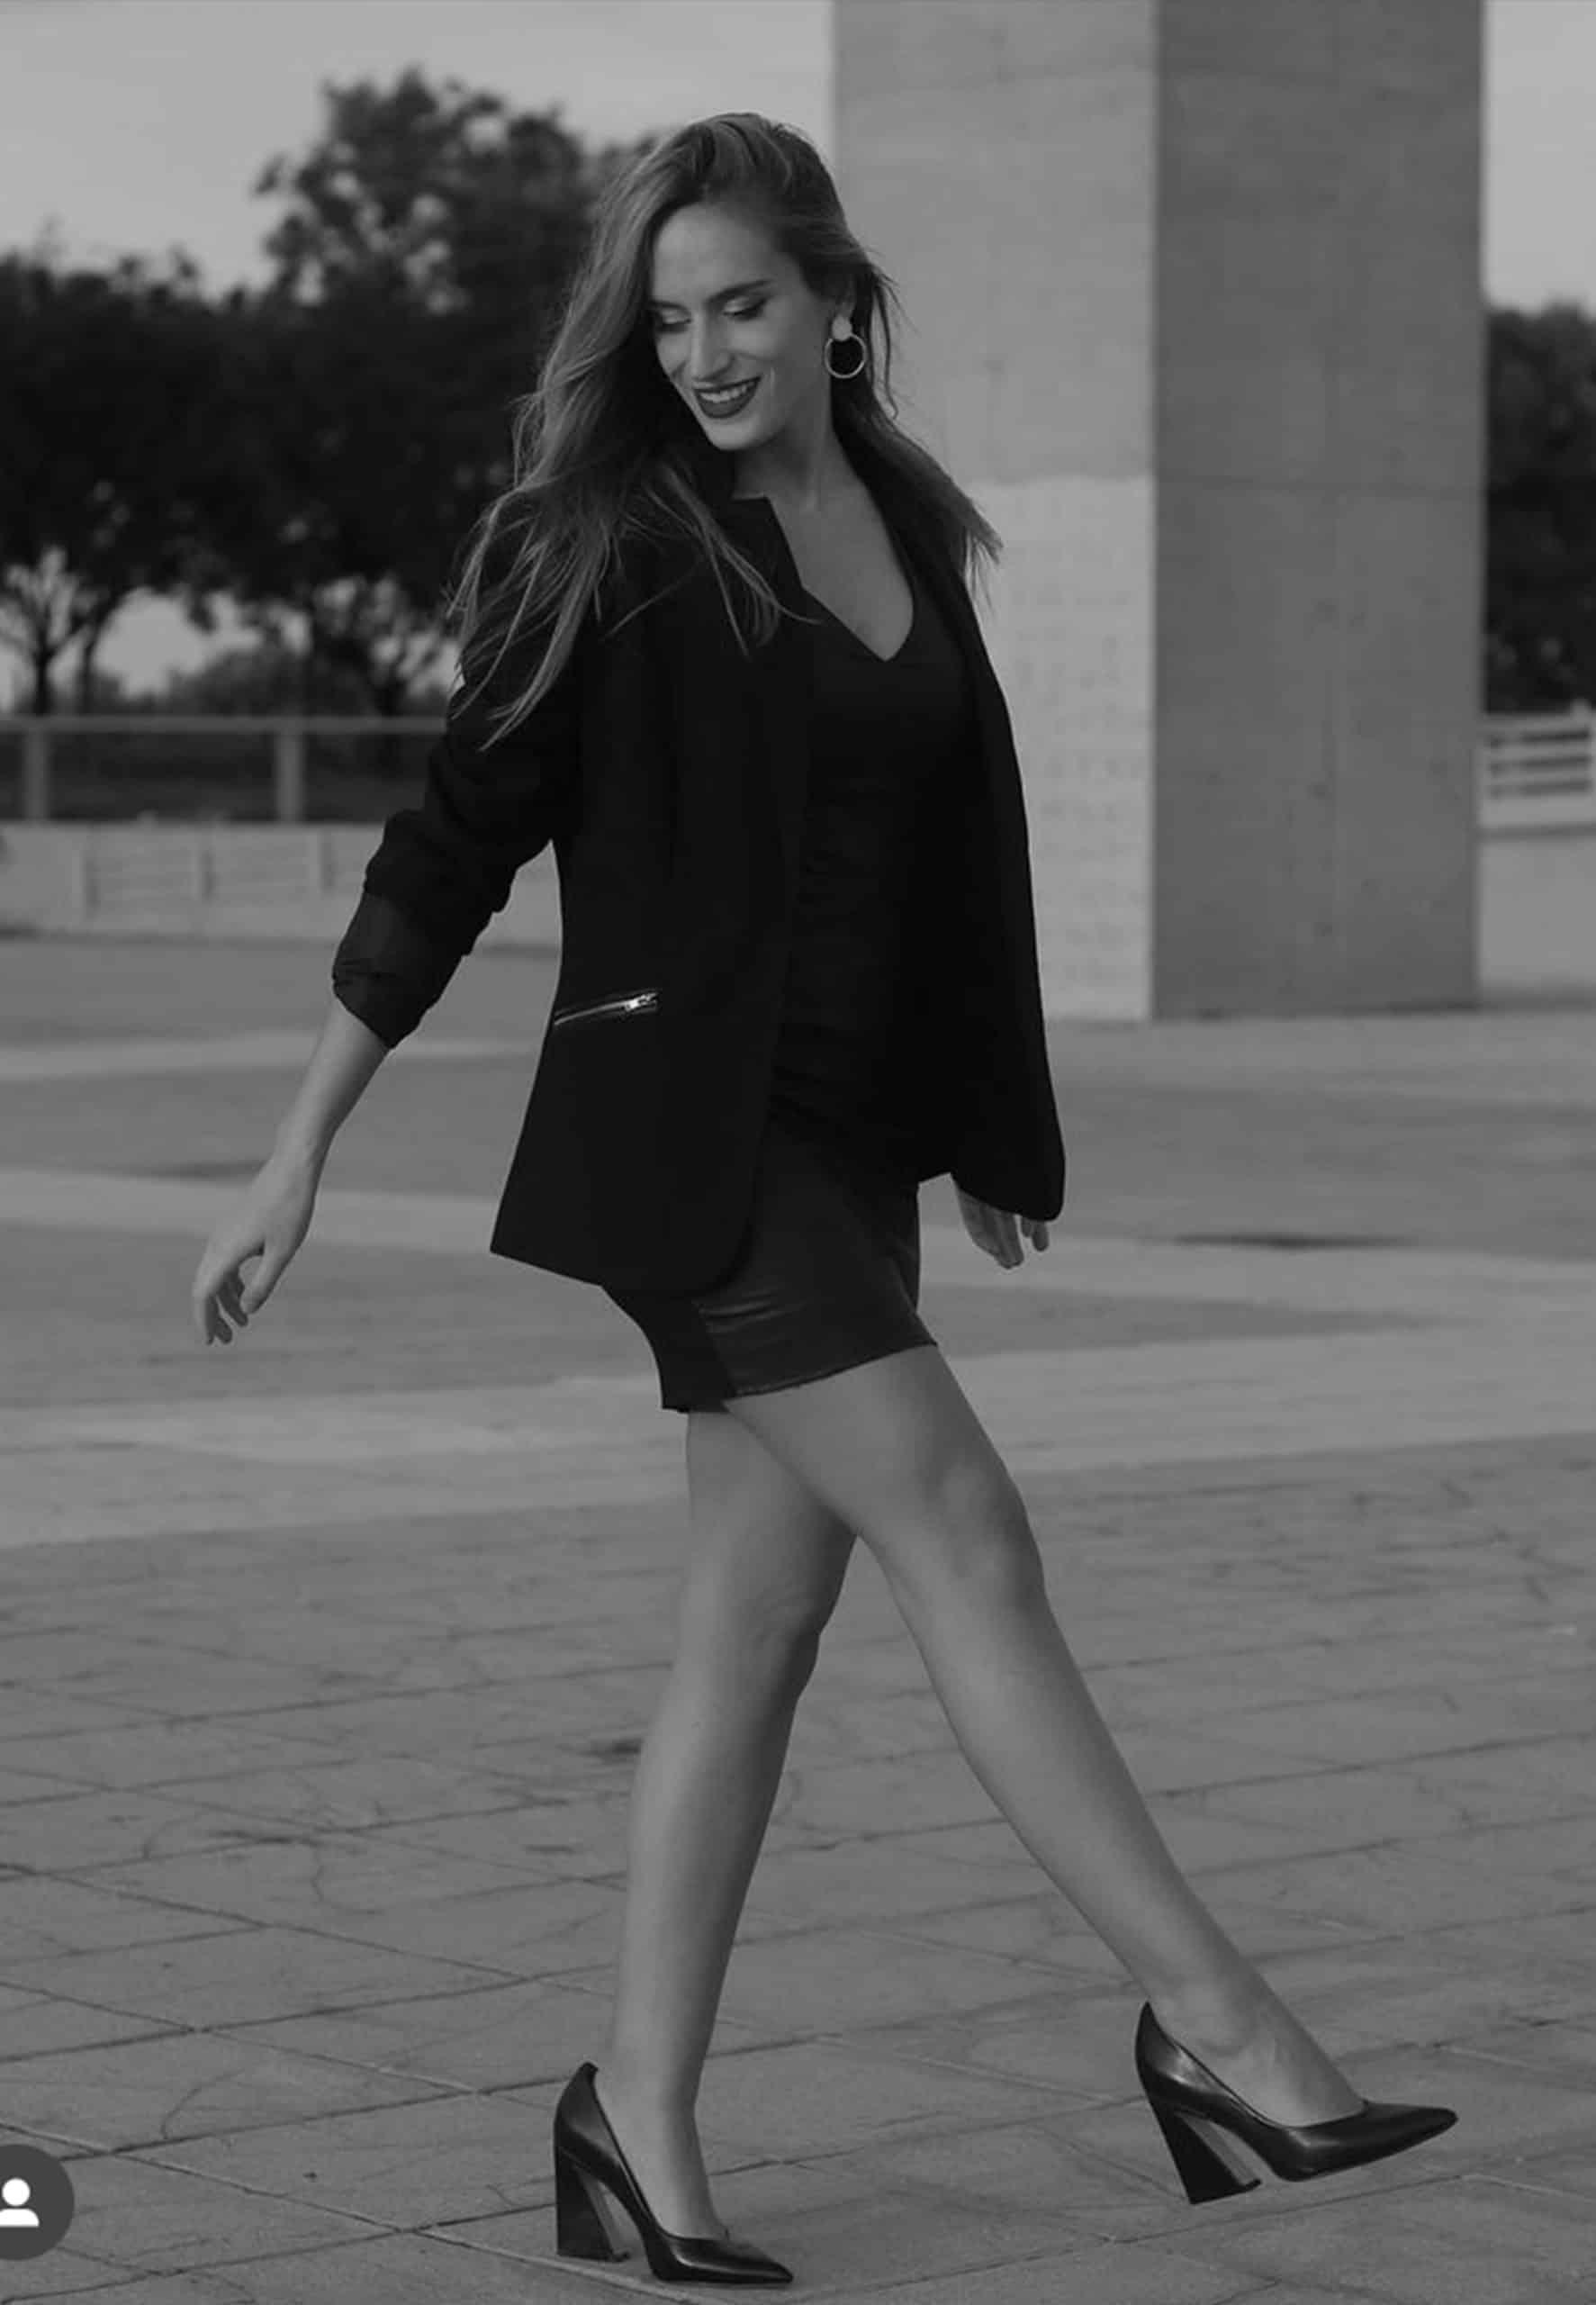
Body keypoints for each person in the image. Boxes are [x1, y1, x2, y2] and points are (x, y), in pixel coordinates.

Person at [190, 113, 1456, 2289]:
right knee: (967, 1526)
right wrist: (300, 1138)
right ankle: (1225, 2036)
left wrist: (984, 1135)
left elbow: (954, 860)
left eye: (743, 304)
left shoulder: (904, 518)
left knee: (750, 1637)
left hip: (847, 1153)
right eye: (669, 319)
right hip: (700, 1154)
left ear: (832, 295)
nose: (704, 352)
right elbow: (449, 836)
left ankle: (630, 2123)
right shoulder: (613, 544)